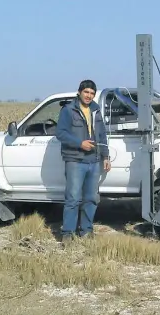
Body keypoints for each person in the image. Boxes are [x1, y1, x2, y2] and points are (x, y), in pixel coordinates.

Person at [55, 79, 111, 245]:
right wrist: (80, 144)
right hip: (75, 159)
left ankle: (86, 231)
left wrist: (105, 156)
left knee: (91, 198)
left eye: (92, 93)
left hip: (93, 161)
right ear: (79, 92)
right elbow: (61, 133)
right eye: (86, 92)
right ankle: (68, 234)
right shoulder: (68, 110)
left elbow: (101, 135)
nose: (89, 96)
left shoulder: (95, 110)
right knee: (72, 198)